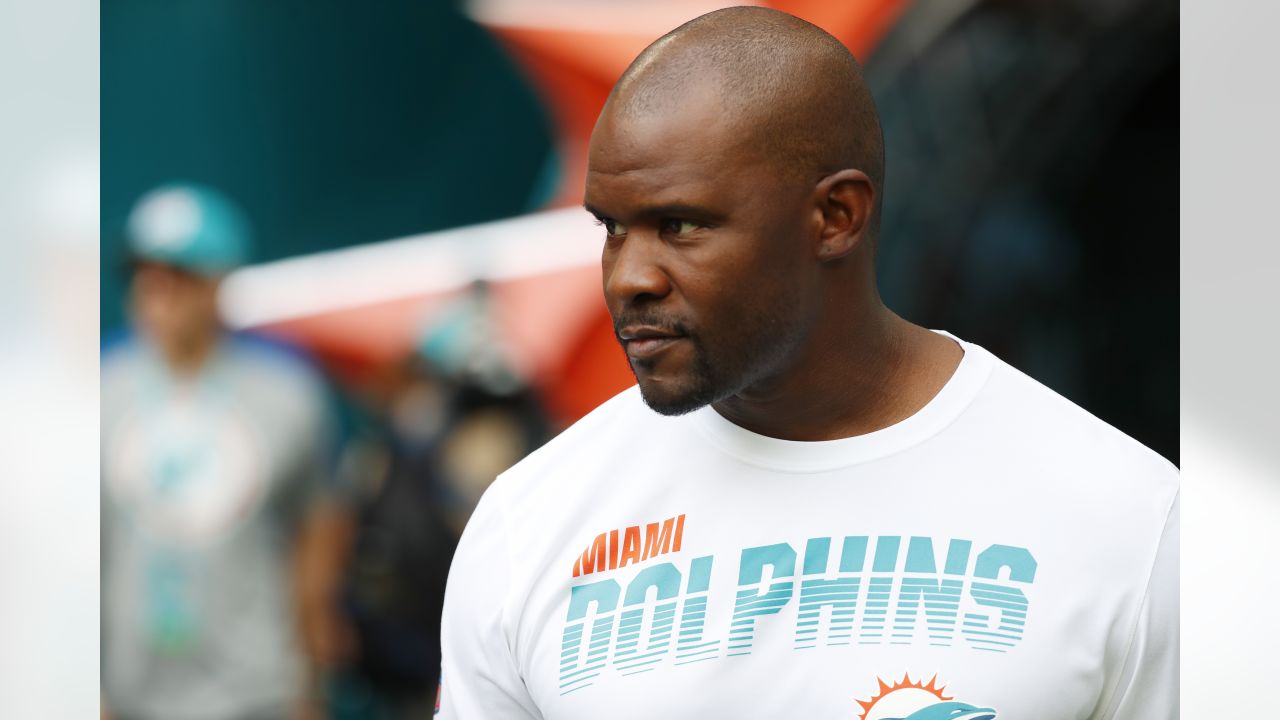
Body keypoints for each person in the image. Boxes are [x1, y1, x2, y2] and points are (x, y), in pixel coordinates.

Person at [438, 7, 1177, 720]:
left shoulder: (1125, 516)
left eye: (680, 225)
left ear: (837, 217)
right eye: (612, 229)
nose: (629, 277)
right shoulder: (530, 524)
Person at [101, 183, 354, 720]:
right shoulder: (99, 392)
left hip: (253, 688)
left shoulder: (286, 394)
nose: (157, 291)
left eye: (178, 275)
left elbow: (313, 538)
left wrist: (308, 684)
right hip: (132, 693)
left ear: (218, 282)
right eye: (145, 273)